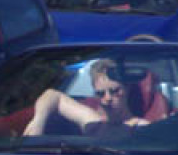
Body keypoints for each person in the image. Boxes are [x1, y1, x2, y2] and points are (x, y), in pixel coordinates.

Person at [24, 58, 155, 136]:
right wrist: (38, 121)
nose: (107, 98)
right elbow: (52, 95)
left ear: (127, 89)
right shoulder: (93, 122)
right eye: (100, 93)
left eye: (115, 91)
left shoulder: (142, 128)